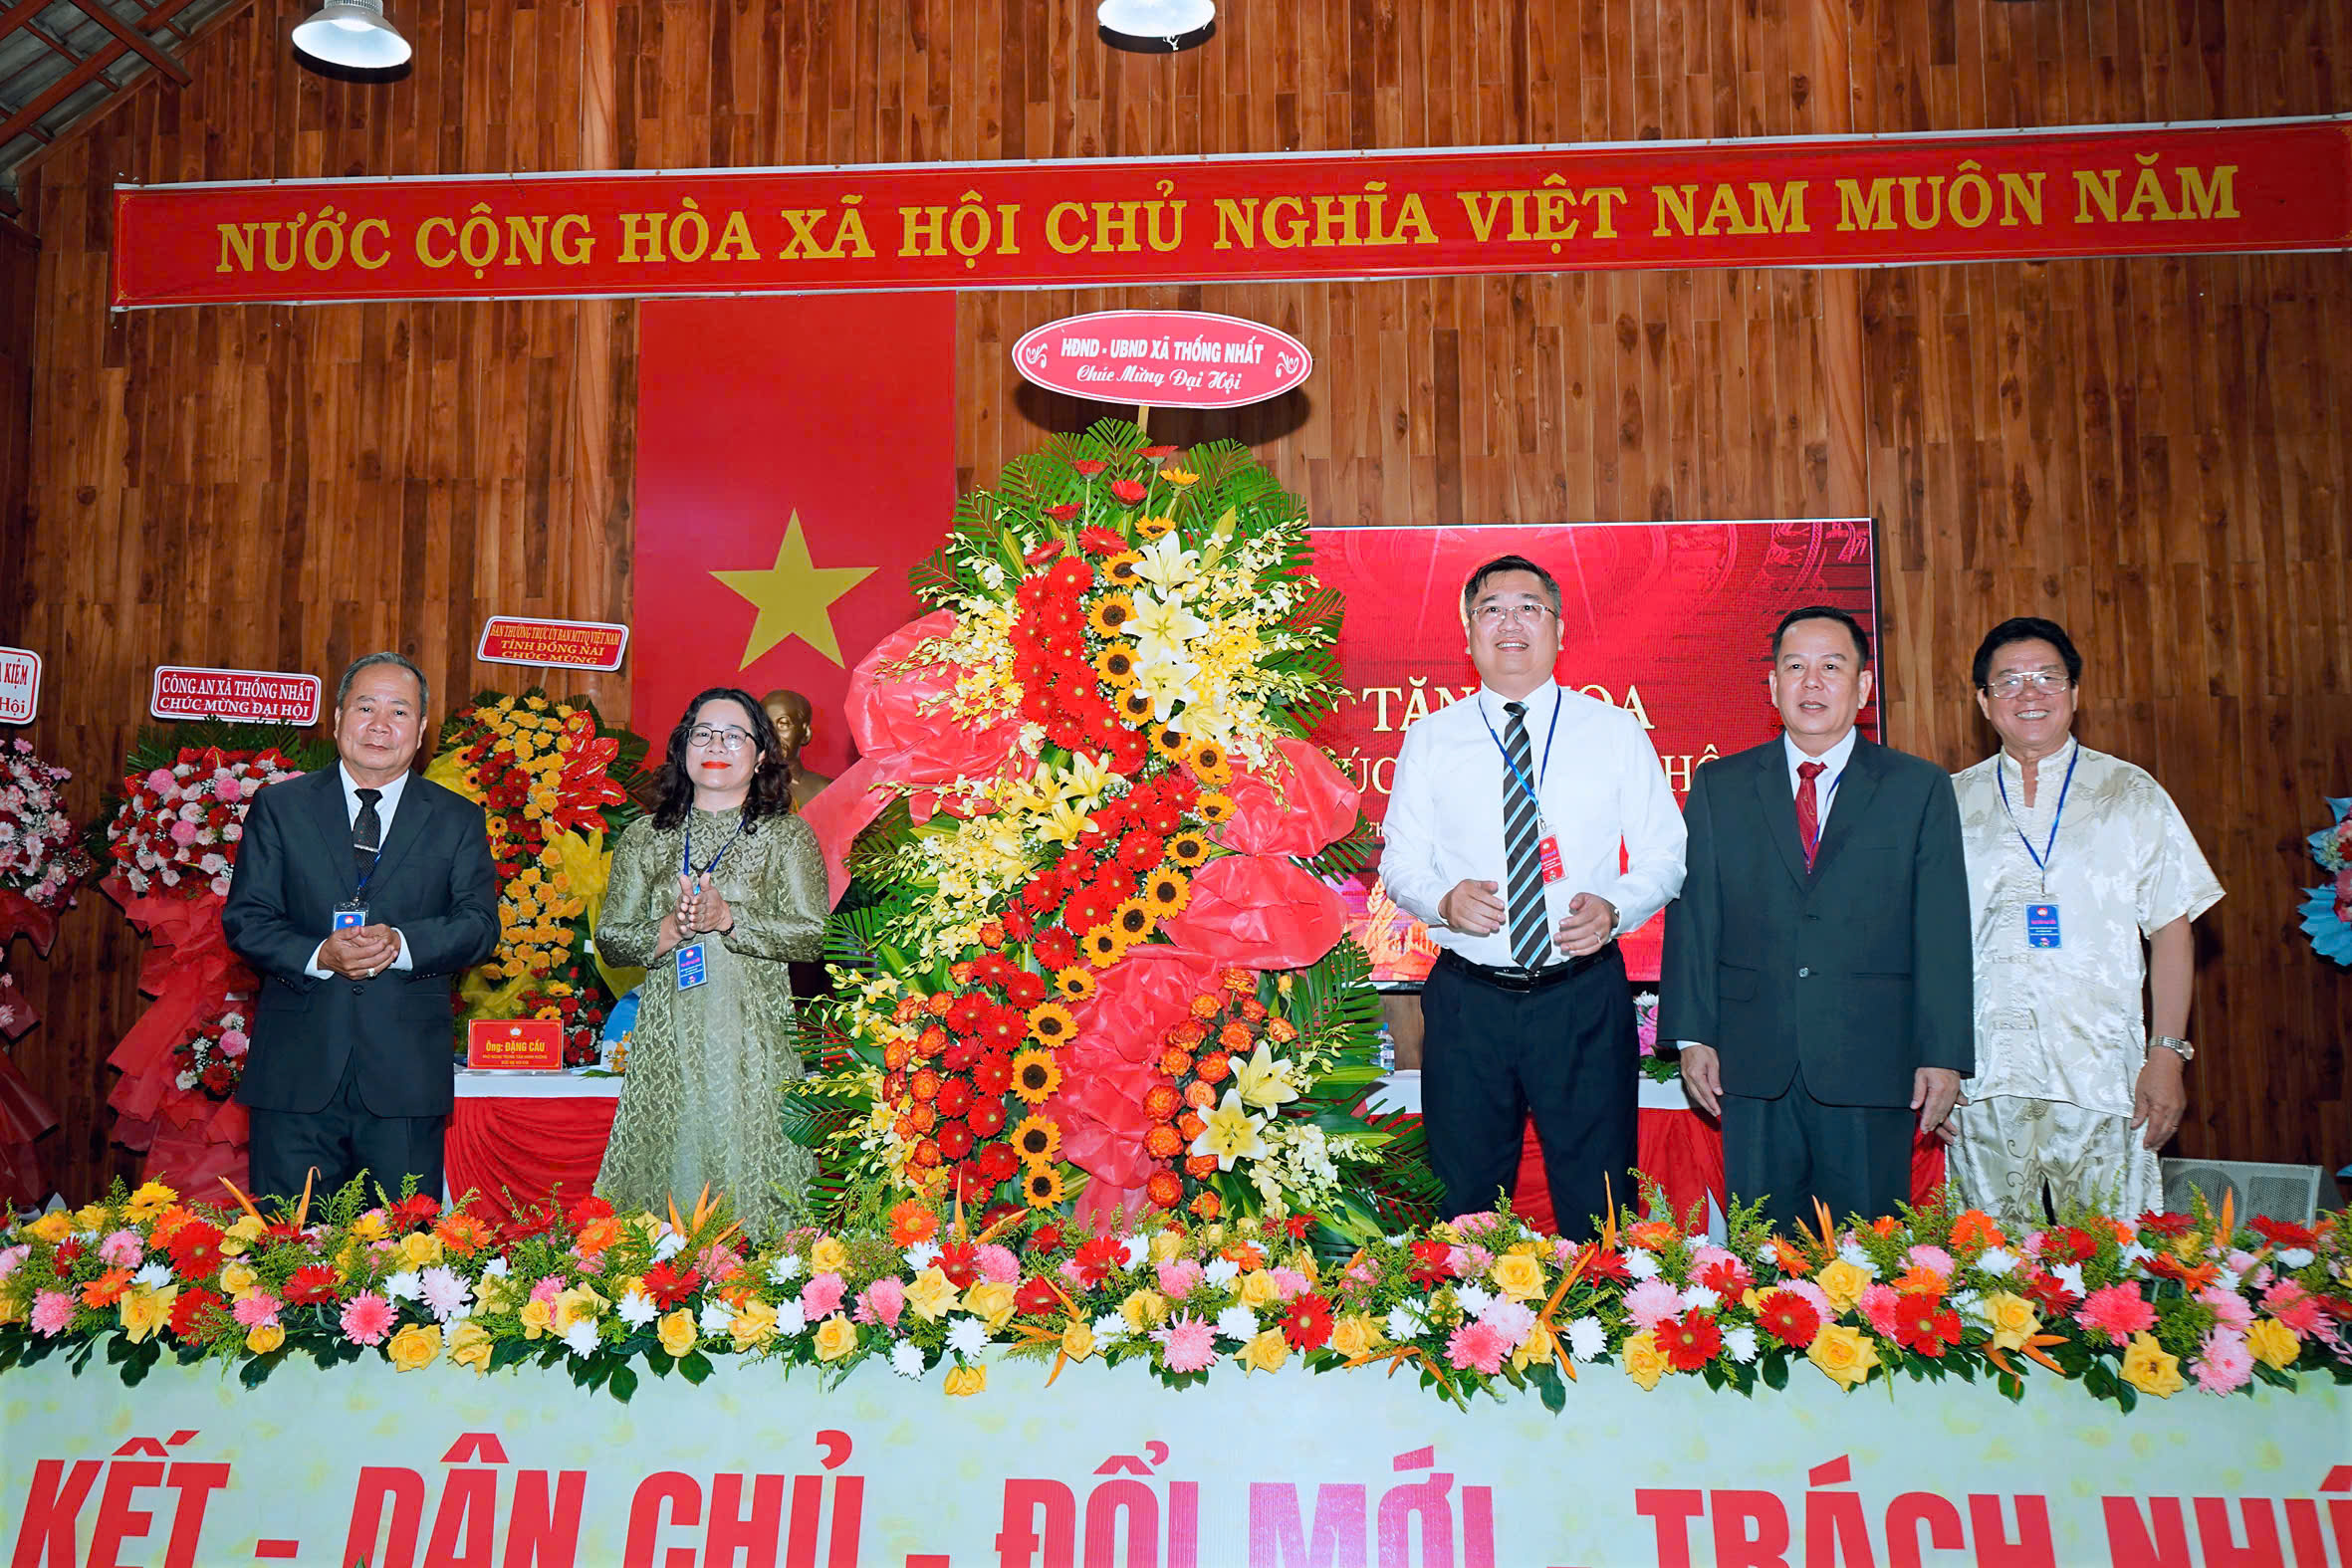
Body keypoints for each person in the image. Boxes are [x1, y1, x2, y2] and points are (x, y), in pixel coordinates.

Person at [1381, 555, 1687, 1236]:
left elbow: (1667, 855)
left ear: (1559, 629)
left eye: (1528, 607)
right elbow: (1399, 862)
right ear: (1469, 633)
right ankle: (1469, 1311)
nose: (1510, 622)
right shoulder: (1431, 738)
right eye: (1491, 609)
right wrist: (1441, 900)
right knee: (1463, 1205)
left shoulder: (1612, 731)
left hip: (1581, 996)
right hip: (1469, 1000)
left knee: (1599, 1202)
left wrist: (1616, 908)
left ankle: (1600, 1300)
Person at [1661, 605, 1972, 1233]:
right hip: (1752, 1062)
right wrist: (1692, 1036)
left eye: (1831, 667)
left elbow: (1941, 932)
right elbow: (1694, 919)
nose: (1812, 683)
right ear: (1772, 686)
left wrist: (1944, 1055)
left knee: (1868, 1255)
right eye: (1795, 667)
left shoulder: (1918, 788)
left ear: (1863, 686)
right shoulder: (1721, 786)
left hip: (1872, 1059)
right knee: (1763, 1255)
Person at [1945, 617, 2222, 1219]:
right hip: (1981, 1078)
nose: (2030, 693)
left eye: (2048, 677)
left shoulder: (2131, 792)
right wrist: (1934, 1059)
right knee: (1986, 1263)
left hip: (2105, 1076)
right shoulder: (1949, 801)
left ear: (2075, 693)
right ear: (1984, 702)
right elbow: (1922, 945)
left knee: (2109, 1263)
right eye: (2009, 681)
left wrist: (2167, 1053)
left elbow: (2172, 929)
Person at [224, 652, 499, 1205]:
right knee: (286, 1243)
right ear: (337, 718)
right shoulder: (280, 807)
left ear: (421, 730)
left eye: (399, 711)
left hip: (404, 1081)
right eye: (365, 707)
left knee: (402, 1248)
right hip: (295, 1075)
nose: (380, 724)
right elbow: (246, 919)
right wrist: (318, 955)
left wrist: (402, 944)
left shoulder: (457, 818)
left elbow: (478, 925)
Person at [594, 686, 827, 1233]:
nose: (716, 746)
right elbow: (610, 939)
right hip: (665, 1043)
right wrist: (669, 929)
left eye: (733, 736)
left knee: (755, 1192)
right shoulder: (645, 837)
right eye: (703, 734)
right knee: (663, 1194)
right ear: (683, 749)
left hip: (753, 1043)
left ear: (761, 754)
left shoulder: (786, 835)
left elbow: (814, 935)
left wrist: (729, 918)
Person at [761, 689, 834, 810]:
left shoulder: (827, 790)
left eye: (783, 724)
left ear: (806, 733)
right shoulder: (743, 789)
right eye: (766, 726)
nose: (772, 735)